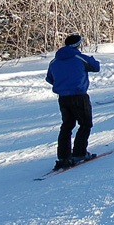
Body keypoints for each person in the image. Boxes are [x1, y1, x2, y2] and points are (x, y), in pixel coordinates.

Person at [45, 33, 100, 170]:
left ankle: (63, 156)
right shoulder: (79, 57)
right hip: (79, 95)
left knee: (67, 125)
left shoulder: (54, 61)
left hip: (63, 97)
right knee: (85, 123)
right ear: (78, 44)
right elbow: (96, 67)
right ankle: (79, 153)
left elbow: (49, 78)